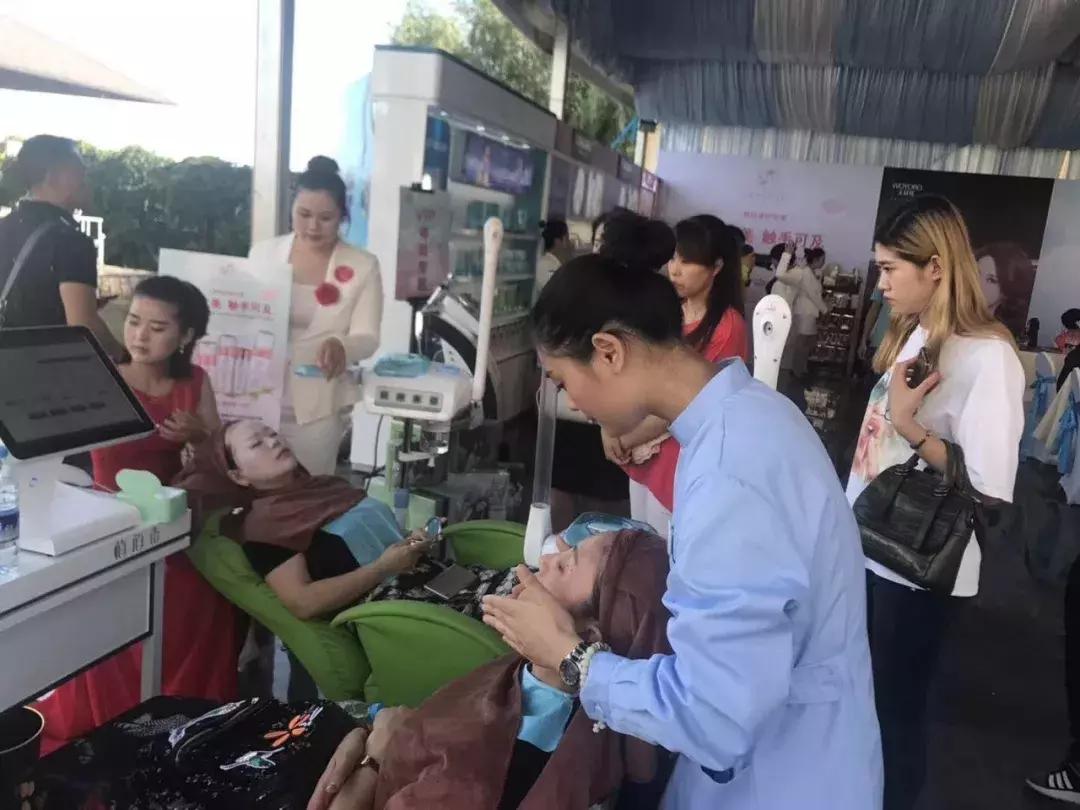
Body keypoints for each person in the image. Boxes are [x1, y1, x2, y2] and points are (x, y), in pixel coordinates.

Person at [483, 252, 882, 808]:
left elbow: (715, 718)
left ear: (609, 352)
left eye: (563, 381)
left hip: (778, 781)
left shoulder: (727, 472)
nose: (572, 402)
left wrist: (570, 658)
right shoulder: (751, 415)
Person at [847, 195, 1024, 810]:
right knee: (865, 703)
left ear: (937, 268)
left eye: (890, 268)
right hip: (869, 542)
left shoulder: (989, 356)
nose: (881, 282)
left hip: (918, 564)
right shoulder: (916, 329)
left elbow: (991, 485)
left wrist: (910, 425)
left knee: (894, 712)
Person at [307, 529, 672, 810]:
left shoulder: (504, 770)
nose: (545, 559)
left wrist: (373, 759)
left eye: (565, 565)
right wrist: (378, 723)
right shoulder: (531, 681)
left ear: (588, 636)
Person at [35, 276, 239, 753]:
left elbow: (218, 460)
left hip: (172, 522)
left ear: (186, 336)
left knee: (204, 596)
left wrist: (199, 436)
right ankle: (117, 715)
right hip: (110, 521)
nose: (139, 336)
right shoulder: (102, 376)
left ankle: (182, 712)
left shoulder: (194, 382)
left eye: (157, 327)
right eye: (133, 321)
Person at [176, 420, 431, 622]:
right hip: (392, 615)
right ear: (238, 476)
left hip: (425, 584)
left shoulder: (328, 486)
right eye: (256, 444)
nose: (273, 441)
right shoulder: (267, 525)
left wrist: (410, 545)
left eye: (272, 433)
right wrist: (382, 568)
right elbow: (303, 603)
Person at [602, 215, 748, 536]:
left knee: (663, 549)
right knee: (640, 541)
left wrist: (621, 436)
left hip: (678, 459)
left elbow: (689, 403)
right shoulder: (669, 312)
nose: (675, 270)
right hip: (641, 451)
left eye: (687, 261)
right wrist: (611, 426)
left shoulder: (728, 327)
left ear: (717, 267)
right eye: (673, 259)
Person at [247, 156, 383, 475]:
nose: (312, 226)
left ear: (342, 216)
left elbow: (367, 336)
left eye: (325, 218)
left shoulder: (363, 265)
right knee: (254, 484)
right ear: (292, 209)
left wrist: (341, 346)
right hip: (257, 394)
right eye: (304, 214)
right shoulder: (263, 254)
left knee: (309, 488)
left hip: (319, 402)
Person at [548, 211, 674, 532]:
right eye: (595, 241)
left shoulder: (640, 304)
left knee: (612, 517)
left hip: (622, 429)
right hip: (588, 428)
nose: (597, 249)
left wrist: (613, 429)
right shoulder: (581, 288)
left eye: (602, 242)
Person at [0, 135, 122, 358]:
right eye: (79, 170)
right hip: (40, 366)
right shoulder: (70, 241)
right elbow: (84, 325)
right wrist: (124, 358)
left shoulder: (4, 226)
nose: (86, 178)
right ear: (53, 176)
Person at [775, 244, 828, 380]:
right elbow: (813, 295)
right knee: (802, 344)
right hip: (805, 313)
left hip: (809, 313)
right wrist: (825, 309)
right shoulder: (804, 273)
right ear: (815, 259)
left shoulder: (811, 273)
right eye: (822, 260)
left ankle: (800, 369)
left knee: (806, 344)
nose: (824, 263)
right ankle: (797, 371)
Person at [974, 241, 1036, 339]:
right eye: (976, 273)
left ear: (1006, 292)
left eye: (991, 280)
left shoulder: (999, 336)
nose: (978, 283)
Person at [535, 218, 571, 301]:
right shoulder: (545, 266)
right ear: (559, 241)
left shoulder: (556, 264)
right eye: (567, 238)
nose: (570, 243)